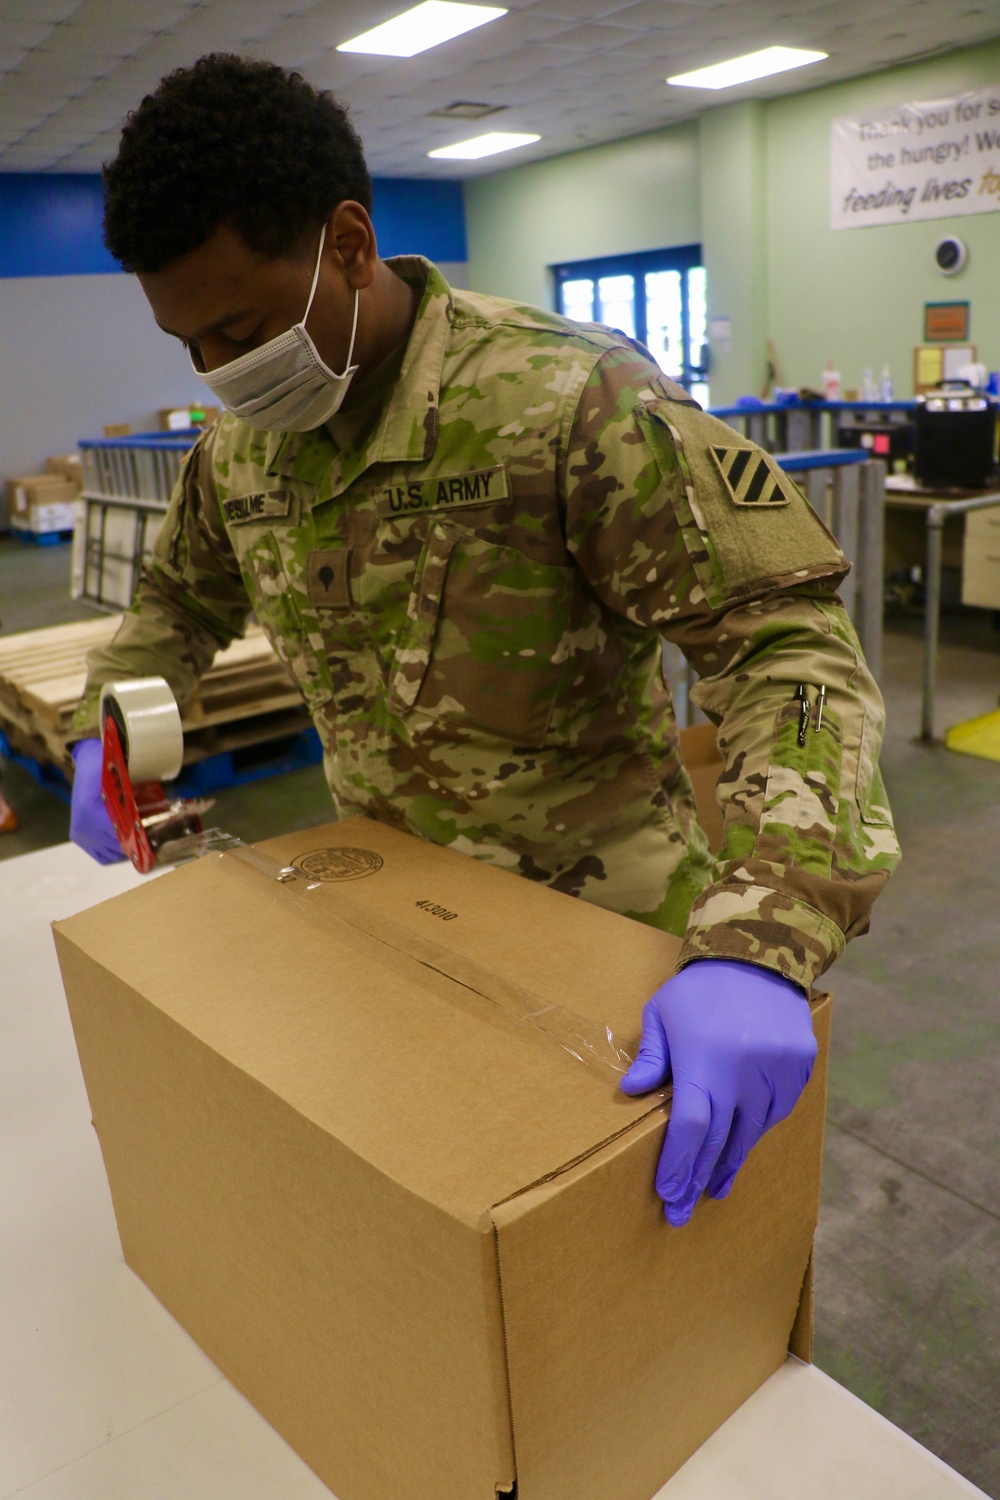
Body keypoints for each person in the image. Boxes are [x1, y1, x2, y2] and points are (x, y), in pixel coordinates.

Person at [68, 55, 900, 1227]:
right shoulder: (241, 452)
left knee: (650, 1280)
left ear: (348, 245)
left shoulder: (567, 403)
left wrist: (767, 928)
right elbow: (174, 609)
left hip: (613, 950)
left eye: (240, 329)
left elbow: (789, 651)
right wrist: (106, 721)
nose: (217, 372)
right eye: (187, 344)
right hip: (382, 925)